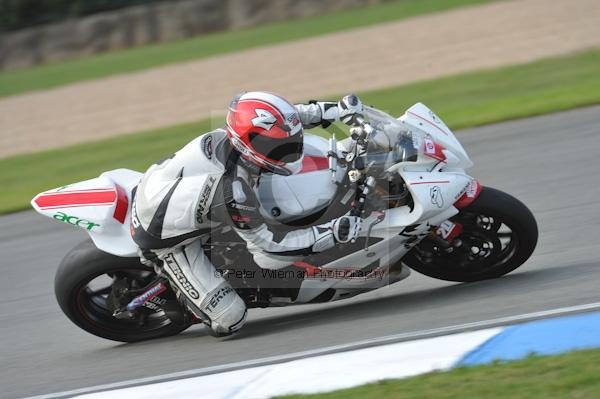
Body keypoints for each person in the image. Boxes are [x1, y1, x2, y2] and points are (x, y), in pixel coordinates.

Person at [131, 91, 364, 336]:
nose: (290, 148)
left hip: (167, 189)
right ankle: (181, 291)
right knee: (230, 320)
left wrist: (334, 110)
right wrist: (331, 233)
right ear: (250, 145)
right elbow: (269, 250)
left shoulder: (237, 136)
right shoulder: (234, 193)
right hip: (160, 236)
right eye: (276, 147)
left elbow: (286, 120)